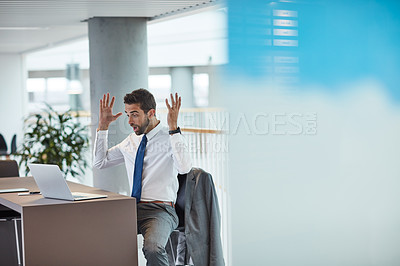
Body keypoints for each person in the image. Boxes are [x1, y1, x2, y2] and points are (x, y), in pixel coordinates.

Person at [93, 88, 192, 266]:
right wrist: (103, 127)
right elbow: (100, 162)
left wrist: (173, 129)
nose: (130, 121)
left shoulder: (170, 137)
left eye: (135, 114)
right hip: (131, 208)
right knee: (99, 236)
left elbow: (185, 168)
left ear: (151, 113)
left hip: (161, 210)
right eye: (127, 114)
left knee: (153, 248)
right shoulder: (131, 141)